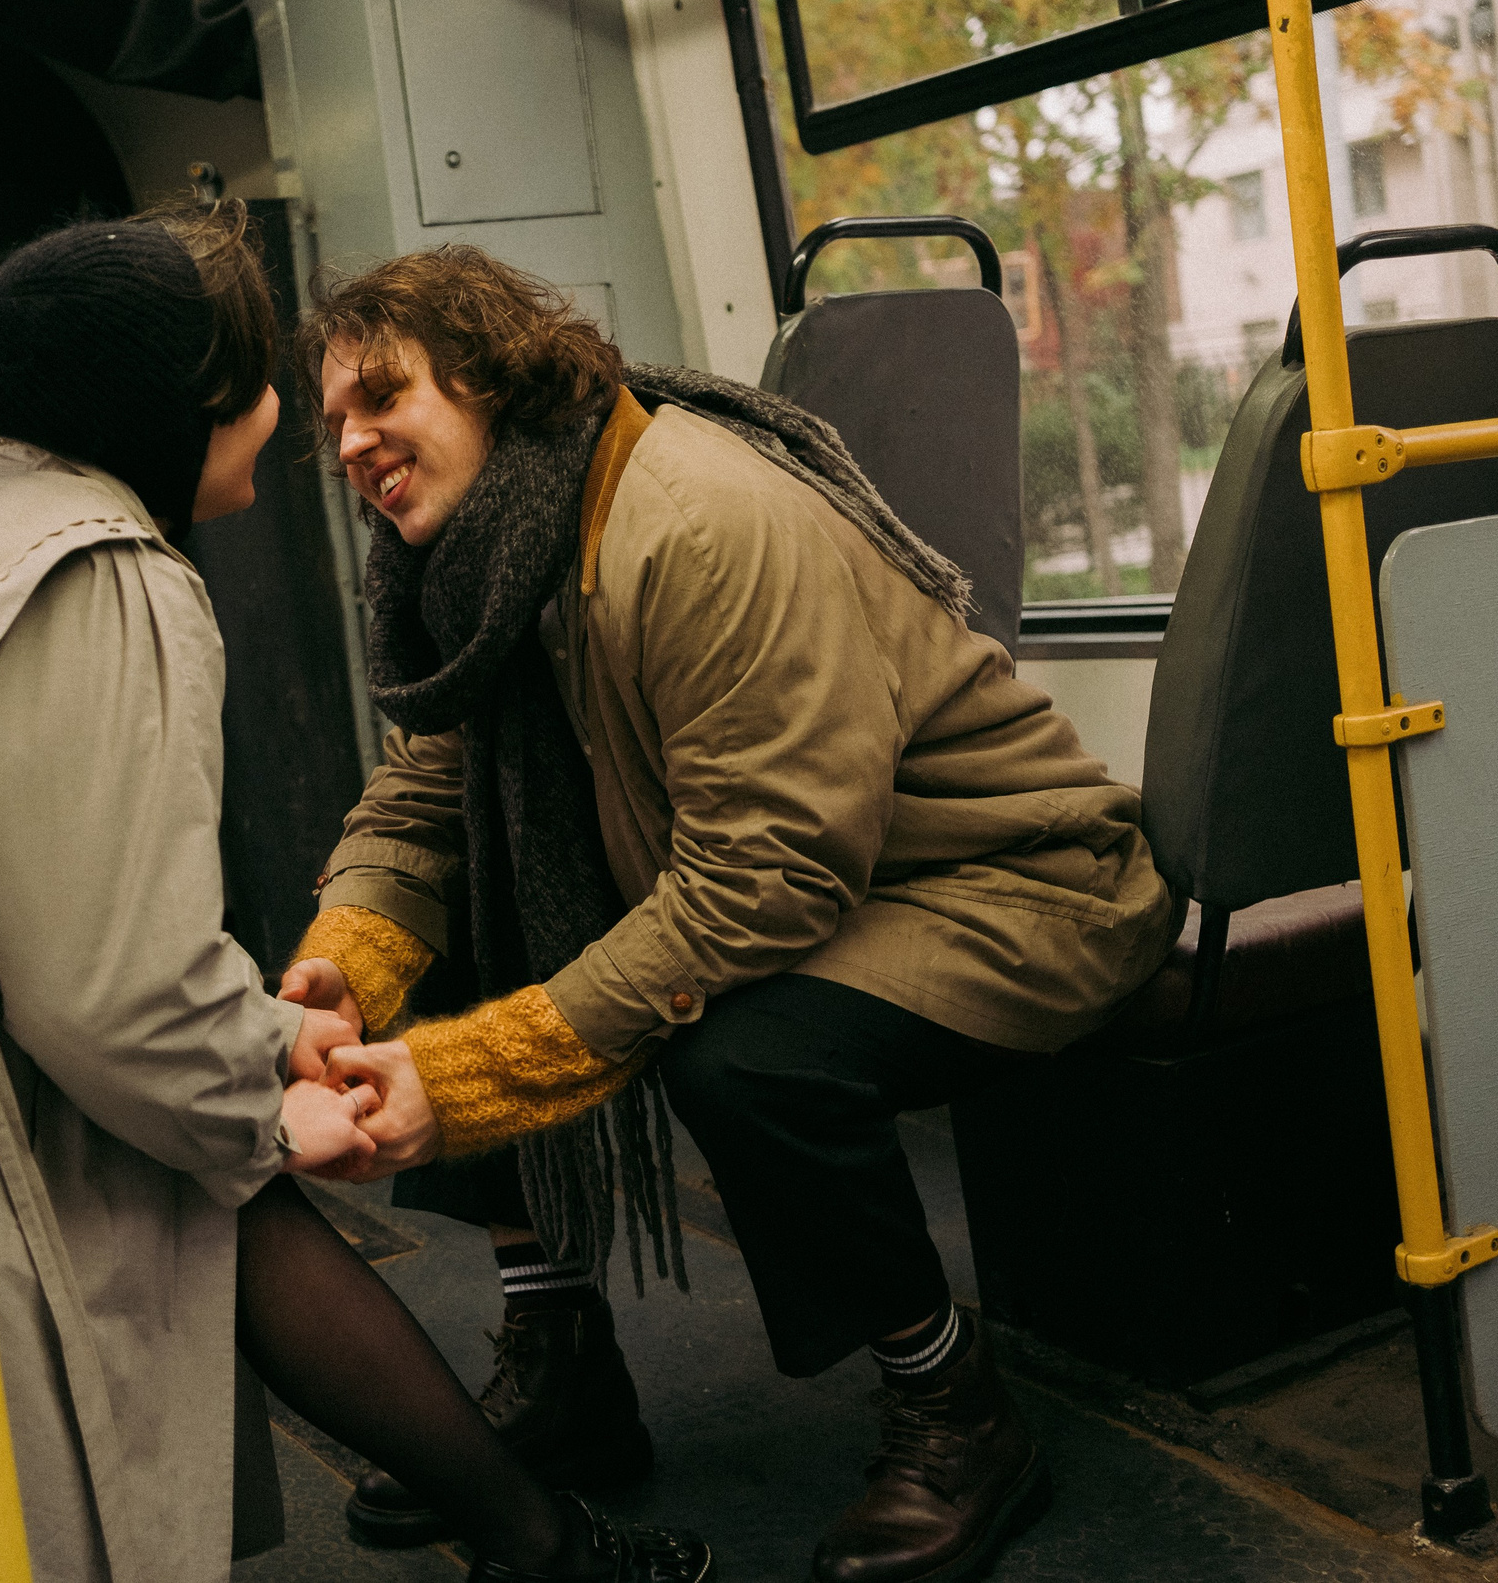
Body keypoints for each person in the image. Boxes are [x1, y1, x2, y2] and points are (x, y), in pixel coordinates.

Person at [0, 205, 708, 1583]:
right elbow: (108, 998)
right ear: (187, 406)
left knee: (220, 1183)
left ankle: (532, 1543)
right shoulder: (103, 575)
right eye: (263, 384)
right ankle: (541, 1547)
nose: (295, 420)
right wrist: (268, 1081)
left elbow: (43, 920)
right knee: (225, 1180)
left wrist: (247, 1033)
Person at [279, 246, 1178, 1583]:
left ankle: (956, 1406)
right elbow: (429, 796)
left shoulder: (692, 520)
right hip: (836, 875)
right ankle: (565, 1356)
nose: (349, 443)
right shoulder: (496, 545)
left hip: (1006, 880)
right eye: (331, 418)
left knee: (746, 1052)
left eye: (381, 398)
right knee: (458, 924)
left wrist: (470, 1077)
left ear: (491, 380)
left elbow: (769, 876)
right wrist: (342, 970)